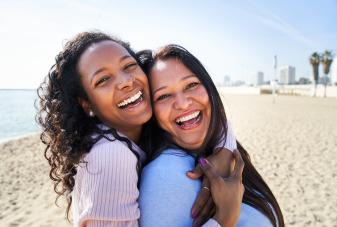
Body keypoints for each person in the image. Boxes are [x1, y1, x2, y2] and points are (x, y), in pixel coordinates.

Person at [37, 31, 244, 227]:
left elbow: (209, 116)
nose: (126, 81)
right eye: (103, 80)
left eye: (128, 66)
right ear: (86, 104)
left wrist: (224, 152)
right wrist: (224, 218)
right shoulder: (110, 155)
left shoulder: (136, 130)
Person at [138, 44, 285, 227]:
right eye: (163, 96)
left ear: (209, 88)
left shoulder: (224, 150)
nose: (183, 104)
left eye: (191, 85)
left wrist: (225, 148)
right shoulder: (164, 176)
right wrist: (224, 219)